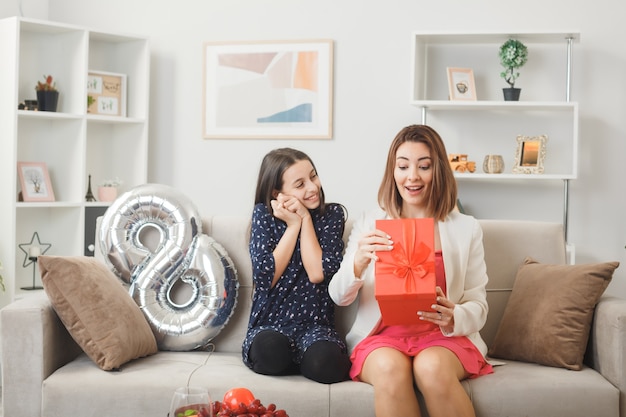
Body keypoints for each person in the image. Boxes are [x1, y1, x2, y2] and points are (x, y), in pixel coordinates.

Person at [329, 125, 493, 416]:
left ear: (438, 170)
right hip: (381, 337)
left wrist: (455, 315)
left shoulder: (466, 229)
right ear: (393, 171)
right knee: (390, 370)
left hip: (444, 338)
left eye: (424, 166)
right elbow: (338, 296)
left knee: (430, 367)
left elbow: (478, 305)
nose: (412, 176)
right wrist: (359, 260)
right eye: (403, 166)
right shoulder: (370, 223)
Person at [242, 147, 351, 384]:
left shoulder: (332, 215)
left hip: (316, 327)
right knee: (270, 353)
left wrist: (304, 219)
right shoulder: (263, 215)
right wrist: (292, 227)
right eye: (300, 184)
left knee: (328, 364)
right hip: (271, 324)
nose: (313, 187)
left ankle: (305, 356)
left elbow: (317, 273)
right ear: (277, 193)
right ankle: (293, 356)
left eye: (313, 176)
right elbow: (265, 277)